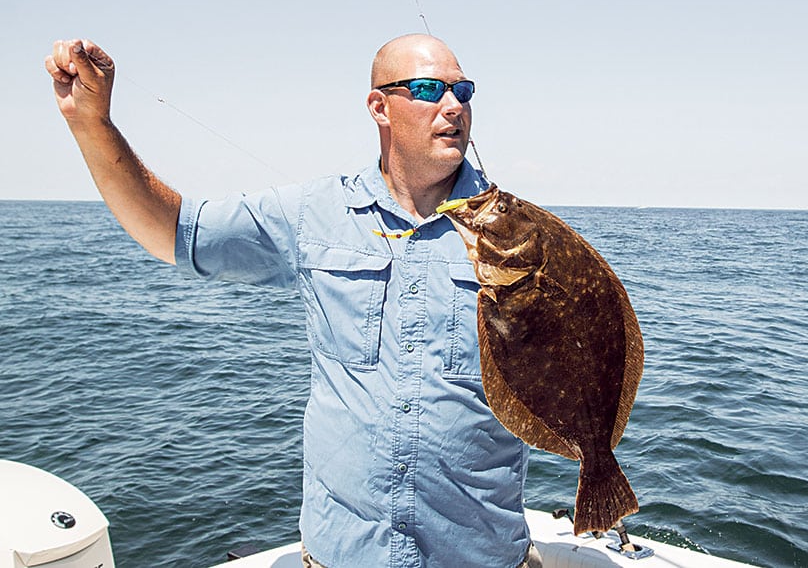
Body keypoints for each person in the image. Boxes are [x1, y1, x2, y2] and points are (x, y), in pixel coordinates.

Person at [45, 35, 544, 568]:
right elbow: (174, 231)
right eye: (428, 90)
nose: (454, 106)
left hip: (479, 555)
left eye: (463, 91)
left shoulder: (525, 236)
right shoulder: (313, 213)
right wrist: (90, 123)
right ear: (379, 107)